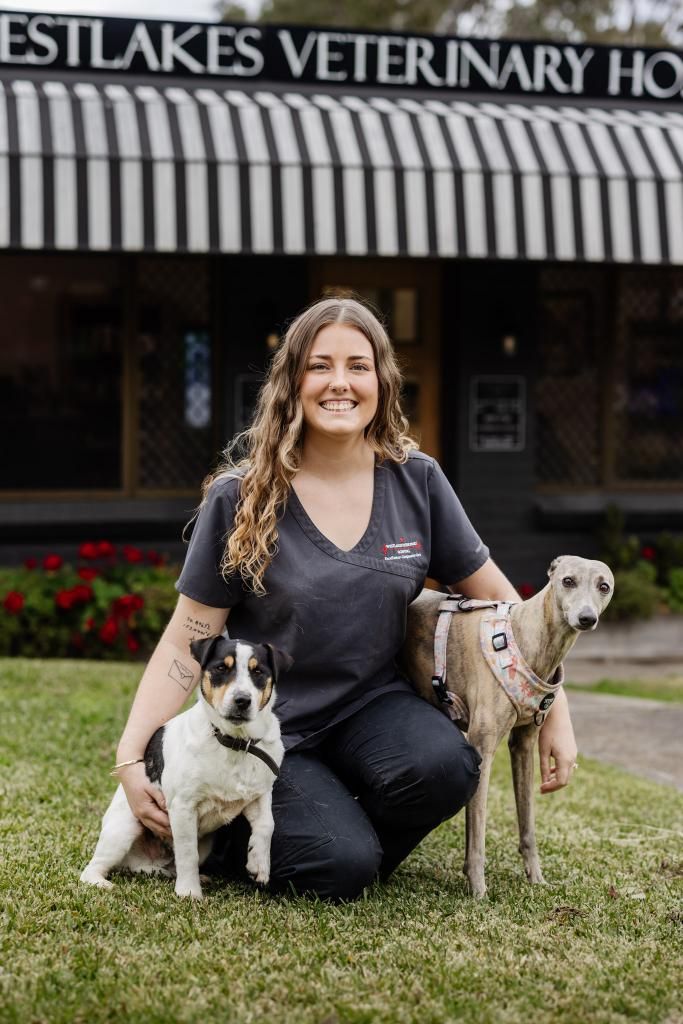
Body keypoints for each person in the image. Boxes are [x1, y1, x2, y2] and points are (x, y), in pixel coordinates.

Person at [115, 296, 578, 901]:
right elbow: (186, 639)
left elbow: (505, 604)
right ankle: (250, 839)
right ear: (292, 382)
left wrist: (554, 711)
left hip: (373, 710)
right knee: (341, 868)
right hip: (265, 732)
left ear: (382, 381)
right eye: (320, 366)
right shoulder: (241, 497)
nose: (340, 383)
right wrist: (131, 756)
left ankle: (332, 832)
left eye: (358, 366)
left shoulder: (417, 479)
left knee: (447, 768)